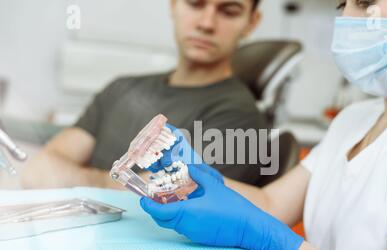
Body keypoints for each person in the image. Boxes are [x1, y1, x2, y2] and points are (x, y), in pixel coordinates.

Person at [140, 0, 387, 250]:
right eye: (343, 4)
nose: (348, 19)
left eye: (365, 0)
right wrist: (188, 170)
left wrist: (271, 240)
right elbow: (271, 203)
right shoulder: (355, 119)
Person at [21, 0, 267, 189]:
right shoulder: (121, 88)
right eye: (195, 3)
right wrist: (118, 184)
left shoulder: (241, 117)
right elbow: (39, 169)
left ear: (251, 23)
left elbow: (175, 195)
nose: (206, 23)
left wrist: (82, 178)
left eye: (229, 11)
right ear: (173, 5)